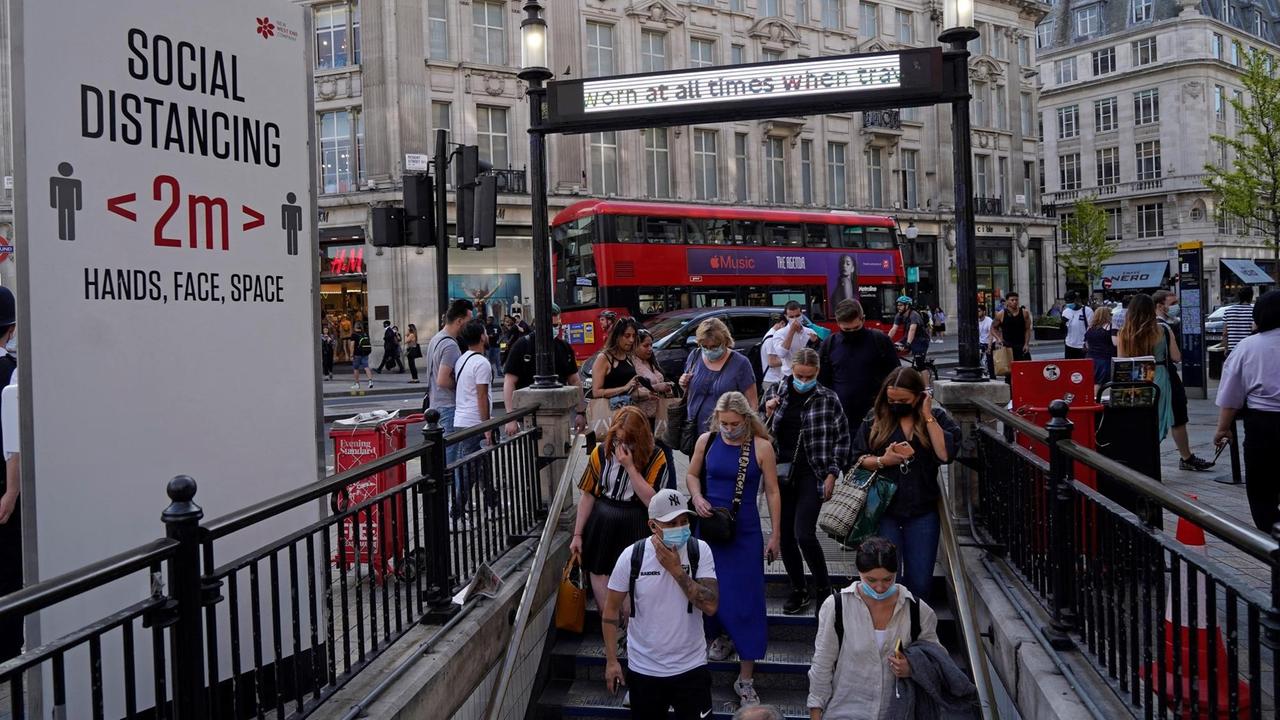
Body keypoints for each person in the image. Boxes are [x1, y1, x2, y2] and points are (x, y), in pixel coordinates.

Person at [686, 392, 783, 708]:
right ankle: (720, 638)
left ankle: (746, 679)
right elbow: (691, 474)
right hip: (710, 530)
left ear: (747, 419)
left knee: (747, 601)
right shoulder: (707, 440)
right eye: (724, 423)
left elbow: (771, 490)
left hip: (745, 533)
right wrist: (697, 496)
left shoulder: (761, 447)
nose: (728, 429)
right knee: (709, 594)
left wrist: (775, 534)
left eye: (735, 423)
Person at [808, 537, 961, 720]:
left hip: (898, 713)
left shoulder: (918, 611)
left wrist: (912, 668)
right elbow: (822, 666)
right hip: (845, 712)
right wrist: (815, 714)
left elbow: (940, 664)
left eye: (887, 579)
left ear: (896, 573)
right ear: (859, 573)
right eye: (871, 580)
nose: (879, 587)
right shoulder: (836, 607)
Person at [601, 489, 718, 719]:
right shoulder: (631, 556)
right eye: (671, 523)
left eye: (684, 521)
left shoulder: (699, 550)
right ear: (653, 526)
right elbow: (611, 609)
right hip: (645, 670)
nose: (680, 528)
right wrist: (612, 661)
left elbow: (711, 605)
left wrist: (677, 572)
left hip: (691, 668)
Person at [574, 408, 673, 675]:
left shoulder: (656, 457)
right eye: (617, 440)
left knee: (633, 586)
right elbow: (587, 495)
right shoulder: (600, 453)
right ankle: (614, 632)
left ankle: (634, 639)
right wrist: (577, 534)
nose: (620, 446)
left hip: (635, 520)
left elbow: (653, 501)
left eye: (627, 441)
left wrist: (630, 467)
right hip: (603, 520)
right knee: (599, 574)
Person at [848, 368, 961, 600]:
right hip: (883, 509)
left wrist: (927, 415)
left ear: (919, 397)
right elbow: (856, 460)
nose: (896, 405)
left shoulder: (936, 418)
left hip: (922, 509)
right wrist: (883, 460)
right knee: (887, 579)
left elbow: (944, 454)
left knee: (920, 581)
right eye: (892, 401)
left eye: (903, 401)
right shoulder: (875, 419)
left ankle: (915, 629)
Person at [762, 348, 851, 614]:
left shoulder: (828, 398)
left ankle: (824, 587)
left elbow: (842, 438)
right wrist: (766, 411)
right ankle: (798, 588)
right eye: (799, 375)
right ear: (792, 371)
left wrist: (833, 473)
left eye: (809, 376)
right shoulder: (777, 392)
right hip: (780, 473)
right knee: (786, 535)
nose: (803, 380)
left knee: (804, 533)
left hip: (812, 472)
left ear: (817, 373)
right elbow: (759, 434)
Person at [1214, 289, 1280, 532]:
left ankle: (1269, 535)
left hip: (1262, 424)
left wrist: (1222, 428)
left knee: (1262, 486)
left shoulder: (1247, 347)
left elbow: (1232, 395)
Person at [503, 305, 586, 437]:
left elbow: (575, 380)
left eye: (556, 325)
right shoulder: (522, 345)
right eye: (551, 325)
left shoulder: (564, 347)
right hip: (528, 417)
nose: (554, 329)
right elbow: (509, 381)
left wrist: (581, 412)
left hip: (560, 415)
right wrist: (511, 417)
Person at [1154, 290, 1214, 471]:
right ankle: (1186, 457)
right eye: (1172, 304)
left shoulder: (1149, 325)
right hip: (1165, 374)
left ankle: (1185, 457)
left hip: (1150, 374)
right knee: (1178, 415)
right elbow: (1176, 357)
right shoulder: (1162, 327)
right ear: (1159, 305)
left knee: (1171, 416)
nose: (1175, 307)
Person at [818, 299, 898, 432]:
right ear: (838, 324)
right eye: (846, 329)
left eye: (856, 328)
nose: (851, 333)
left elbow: (895, 375)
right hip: (841, 417)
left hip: (876, 415)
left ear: (863, 319)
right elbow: (822, 381)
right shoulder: (829, 344)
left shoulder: (880, 341)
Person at [679, 318, 759, 451]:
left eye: (715, 346)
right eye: (705, 346)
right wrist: (684, 383)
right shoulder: (695, 356)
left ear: (725, 341)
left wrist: (749, 433)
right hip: (696, 432)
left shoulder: (740, 363)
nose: (709, 350)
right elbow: (691, 391)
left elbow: (753, 403)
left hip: (729, 434)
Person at [451, 320, 498, 529]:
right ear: (482, 337)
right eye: (486, 333)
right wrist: (486, 426)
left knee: (483, 466)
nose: (487, 336)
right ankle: (456, 514)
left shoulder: (462, 359)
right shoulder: (482, 363)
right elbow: (481, 396)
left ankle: (491, 505)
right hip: (474, 421)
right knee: (469, 470)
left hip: (462, 419)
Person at [1116, 293, 1175, 441]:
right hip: (1158, 374)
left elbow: (1122, 361)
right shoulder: (1163, 330)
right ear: (1151, 309)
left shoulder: (1124, 333)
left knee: (1138, 418)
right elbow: (1176, 357)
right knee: (1157, 419)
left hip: (1134, 376)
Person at [426, 298, 475, 463]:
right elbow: (442, 380)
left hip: (436, 404)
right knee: (452, 458)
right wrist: (462, 384)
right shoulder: (450, 346)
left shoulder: (436, 339)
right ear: (459, 321)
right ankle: (452, 490)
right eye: (469, 321)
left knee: (445, 456)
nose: (469, 326)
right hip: (447, 406)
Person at [0, 288, 21, 663]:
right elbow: (14, 440)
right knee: (7, 574)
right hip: (3, 486)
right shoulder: (13, 372)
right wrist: (13, 490)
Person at [588, 317, 641, 437]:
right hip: (611, 418)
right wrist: (624, 388)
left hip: (629, 416)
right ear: (617, 336)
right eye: (627, 336)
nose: (631, 340)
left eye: (633, 336)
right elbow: (596, 392)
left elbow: (630, 389)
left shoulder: (628, 357)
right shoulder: (604, 358)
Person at [762, 302, 819, 396]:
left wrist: (816, 342)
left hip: (808, 377)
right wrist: (791, 331)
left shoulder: (810, 332)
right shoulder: (780, 333)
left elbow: (816, 354)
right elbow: (781, 353)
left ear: (802, 314)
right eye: (791, 317)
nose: (795, 319)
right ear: (786, 316)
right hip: (789, 376)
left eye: (797, 315)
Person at [632, 329, 676, 433]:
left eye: (651, 345)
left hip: (660, 413)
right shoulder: (632, 365)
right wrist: (656, 388)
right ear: (635, 346)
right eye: (645, 346)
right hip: (642, 417)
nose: (650, 349)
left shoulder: (651, 361)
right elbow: (631, 391)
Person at [991, 291, 1032, 366]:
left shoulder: (1024, 313)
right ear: (1007, 301)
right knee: (1009, 372)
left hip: (1021, 345)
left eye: (1016, 300)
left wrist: (1026, 344)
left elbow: (1027, 329)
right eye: (1012, 300)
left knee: (1025, 369)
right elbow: (993, 328)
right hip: (1007, 346)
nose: (1014, 302)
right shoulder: (1001, 314)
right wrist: (998, 339)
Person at [1084, 306, 1117, 394]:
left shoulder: (1090, 327)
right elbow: (1115, 343)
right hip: (1105, 359)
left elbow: (1087, 344)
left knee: (1092, 383)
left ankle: (1092, 400)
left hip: (1090, 359)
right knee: (1101, 383)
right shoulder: (1111, 326)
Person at [889, 296, 930, 363]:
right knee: (893, 349)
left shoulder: (914, 315)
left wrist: (907, 344)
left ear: (907, 306)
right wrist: (886, 339)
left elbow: (912, 330)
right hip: (907, 338)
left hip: (921, 340)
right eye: (898, 305)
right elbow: (893, 329)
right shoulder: (899, 315)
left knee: (920, 364)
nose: (898, 307)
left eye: (901, 305)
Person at [1223, 286, 1256, 355]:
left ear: (1239, 297)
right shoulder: (1254, 312)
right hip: (1247, 349)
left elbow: (1225, 333)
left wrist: (1226, 348)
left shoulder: (1228, 311)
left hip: (1232, 349)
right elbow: (1254, 331)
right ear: (1251, 297)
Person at [1061, 292, 1093, 360]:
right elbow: (1063, 328)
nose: (1069, 304)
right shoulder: (1066, 312)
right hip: (1069, 345)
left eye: (1071, 301)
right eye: (1067, 302)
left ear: (1076, 300)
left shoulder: (1087, 311)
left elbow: (1091, 328)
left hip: (1082, 346)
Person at [347, 322, 375, 389]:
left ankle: (357, 384)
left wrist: (351, 355)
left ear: (355, 327)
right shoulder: (365, 334)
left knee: (356, 368)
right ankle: (370, 381)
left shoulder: (354, 335)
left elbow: (352, 345)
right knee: (366, 367)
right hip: (365, 353)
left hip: (357, 354)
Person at [977, 305, 995, 377]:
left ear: (984, 312)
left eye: (979, 311)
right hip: (981, 342)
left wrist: (989, 347)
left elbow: (991, 334)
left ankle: (992, 376)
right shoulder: (977, 321)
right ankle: (982, 373)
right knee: (979, 360)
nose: (977, 313)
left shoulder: (989, 321)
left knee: (990, 361)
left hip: (990, 342)